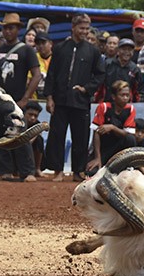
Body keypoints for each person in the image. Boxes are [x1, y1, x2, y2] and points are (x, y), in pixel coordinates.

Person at [44, 13, 105, 182]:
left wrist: (86, 89)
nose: (84, 31)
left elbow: (100, 75)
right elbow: (51, 74)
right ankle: (57, 171)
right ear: (73, 27)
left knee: (81, 137)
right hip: (60, 100)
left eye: (87, 28)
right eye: (81, 28)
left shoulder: (93, 51)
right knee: (57, 136)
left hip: (80, 101)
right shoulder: (60, 48)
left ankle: (79, 171)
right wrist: (49, 97)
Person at [0, 12, 41, 182]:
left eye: (11, 28)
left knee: (21, 135)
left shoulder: (26, 50)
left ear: (18, 29)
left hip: (16, 100)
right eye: (5, 28)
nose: (8, 31)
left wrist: (25, 98)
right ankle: (4, 171)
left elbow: (37, 75)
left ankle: (28, 171)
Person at [87, 80, 137, 174]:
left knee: (130, 138)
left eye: (127, 95)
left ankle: (127, 165)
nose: (125, 98)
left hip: (118, 147)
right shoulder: (104, 107)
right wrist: (98, 158)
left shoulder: (130, 109)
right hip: (103, 147)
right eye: (122, 95)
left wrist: (112, 127)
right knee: (92, 173)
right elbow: (96, 133)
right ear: (114, 97)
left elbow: (127, 133)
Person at [94, 38, 144, 103]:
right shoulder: (107, 64)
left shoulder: (135, 69)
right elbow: (97, 84)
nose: (127, 52)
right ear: (118, 50)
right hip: (107, 104)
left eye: (129, 50)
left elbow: (140, 90)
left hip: (127, 105)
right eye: (124, 49)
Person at [23, 100, 45, 177]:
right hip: (17, 149)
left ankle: (37, 169)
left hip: (30, 148)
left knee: (39, 140)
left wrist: (35, 134)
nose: (32, 118)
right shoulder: (18, 123)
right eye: (30, 114)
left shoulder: (37, 125)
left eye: (35, 116)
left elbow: (30, 143)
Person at [32, 31, 52, 98]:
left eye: (43, 43)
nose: (41, 46)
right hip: (35, 99)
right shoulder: (33, 58)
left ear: (50, 43)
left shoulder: (57, 58)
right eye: (38, 43)